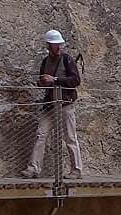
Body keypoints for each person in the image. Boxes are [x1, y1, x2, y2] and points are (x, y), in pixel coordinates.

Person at [25, 30, 84, 179]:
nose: (59, 47)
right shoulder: (45, 62)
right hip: (51, 103)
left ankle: (77, 170)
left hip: (65, 102)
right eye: (56, 45)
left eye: (60, 45)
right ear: (49, 46)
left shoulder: (67, 60)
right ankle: (34, 168)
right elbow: (43, 80)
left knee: (70, 137)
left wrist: (55, 80)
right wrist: (43, 82)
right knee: (41, 134)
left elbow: (75, 81)